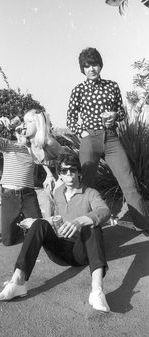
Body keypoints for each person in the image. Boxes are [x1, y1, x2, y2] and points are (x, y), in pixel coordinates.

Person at [0, 153, 111, 313]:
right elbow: (57, 218)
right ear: (60, 174)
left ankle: (97, 291)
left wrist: (80, 221)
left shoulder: (90, 193)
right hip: (60, 251)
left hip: (82, 252)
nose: (68, 174)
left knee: (93, 227)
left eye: (72, 170)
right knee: (39, 223)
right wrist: (37, 223)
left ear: (79, 172)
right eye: (64, 170)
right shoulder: (58, 192)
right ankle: (18, 282)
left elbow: (104, 210)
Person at [66, 47, 149, 232]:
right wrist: (82, 133)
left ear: (100, 65)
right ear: (83, 69)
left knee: (129, 183)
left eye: (94, 64)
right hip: (90, 140)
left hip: (111, 139)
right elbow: (70, 119)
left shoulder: (112, 86)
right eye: (86, 66)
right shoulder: (78, 90)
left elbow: (121, 112)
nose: (91, 69)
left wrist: (114, 114)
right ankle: (82, 227)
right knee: (86, 185)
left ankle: (143, 224)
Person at [0, 116, 42, 246]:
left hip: (28, 194)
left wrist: (29, 143)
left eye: (23, 130)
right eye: (18, 131)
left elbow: (42, 159)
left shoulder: (35, 148)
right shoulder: (7, 144)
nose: (20, 133)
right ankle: (19, 226)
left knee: (39, 231)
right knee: (7, 241)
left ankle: (24, 224)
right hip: (9, 195)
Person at [22, 108, 68, 217]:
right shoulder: (30, 144)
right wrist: (49, 175)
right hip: (53, 173)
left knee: (59, 197)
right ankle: (50, 226)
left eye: (29, 122)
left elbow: (67, 159)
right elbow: (42, 161)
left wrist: (61, 178)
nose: (25, 125)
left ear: (38, 124)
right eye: (25, 122)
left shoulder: (49, 142)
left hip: (65, 173)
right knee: (48, 197)